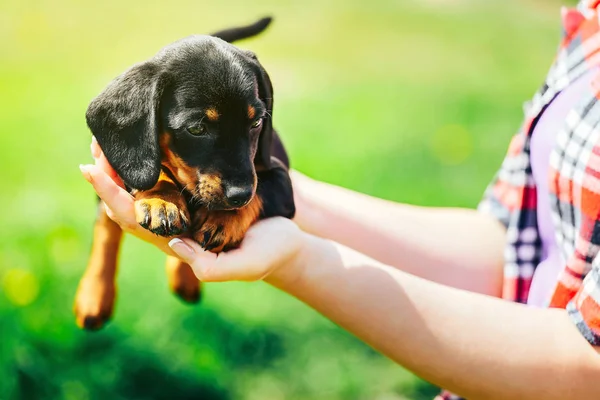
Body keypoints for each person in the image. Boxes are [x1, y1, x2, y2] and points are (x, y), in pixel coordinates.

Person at [79, 2, 600, 398]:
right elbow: (510, 237)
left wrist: (272, 237)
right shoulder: (586, 22)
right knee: (138, 187)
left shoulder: (248, 149)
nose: (240, 177)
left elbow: (272, 184)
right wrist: (154, 185)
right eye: (198, 128)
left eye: (254, 121)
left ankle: (186, 252)